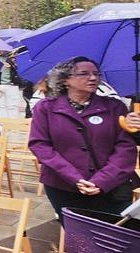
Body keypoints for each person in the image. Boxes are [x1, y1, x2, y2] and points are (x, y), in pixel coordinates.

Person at [29, 57, 136, 222]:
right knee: (80, 237)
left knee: (115, 236)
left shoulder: (114, 107)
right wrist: (75, 178)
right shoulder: (46, 108)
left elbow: (125, 148)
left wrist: (102, 181)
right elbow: (40, 145)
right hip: (63, 186)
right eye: (84, 74)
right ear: (65, 80)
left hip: (111, 188)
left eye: (96, 74)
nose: (93, 78)